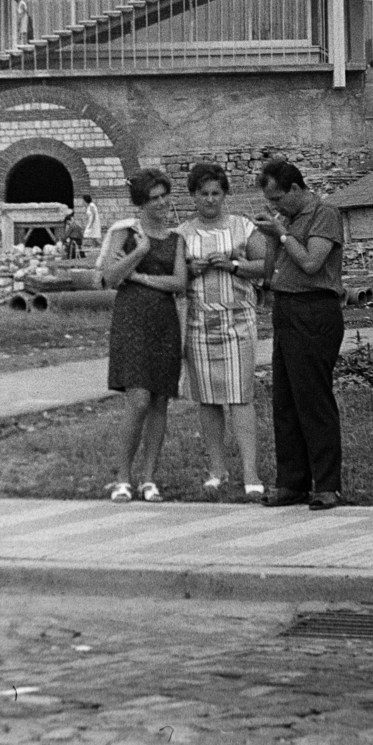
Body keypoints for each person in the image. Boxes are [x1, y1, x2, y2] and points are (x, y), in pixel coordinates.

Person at [252, 161, 346, 511]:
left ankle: (326, 485)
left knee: (313, 399)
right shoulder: (287, 223)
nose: (276, 206)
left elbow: (311, 263)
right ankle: (291, 482)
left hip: (315, 310)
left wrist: (281, 234)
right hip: (287, 308)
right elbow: (268, 275)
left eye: (279, 198)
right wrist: (272, 237)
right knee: (286, 401)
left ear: (295, 189)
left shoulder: (325, 213)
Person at [177, 162, 269, 500]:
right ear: (193, 196)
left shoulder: (243, 227)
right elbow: (175, 279)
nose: (211, 200)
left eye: (217, 193)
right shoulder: (182, 234)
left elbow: (266, 267)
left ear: (225, 194)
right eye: (204, 194)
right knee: (207, 398)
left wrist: (233, 265)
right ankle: (216, 470)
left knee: (240, 395)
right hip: (199, 323)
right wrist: (191, 268)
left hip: (237, 321)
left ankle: (250, 471)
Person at [100, 169, 187, 503]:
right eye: (155, 197)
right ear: (141, 202)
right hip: (132, 320)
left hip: (165, 322)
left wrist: (140, 278)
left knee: (160, 399)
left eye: (166, 195)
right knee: (138, 399)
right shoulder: (126, 234)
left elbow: (179, 283)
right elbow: (110, 277)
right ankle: (123, 476)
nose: (163, 202)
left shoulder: (177, 239)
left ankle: (149, 477)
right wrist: (140, 252)